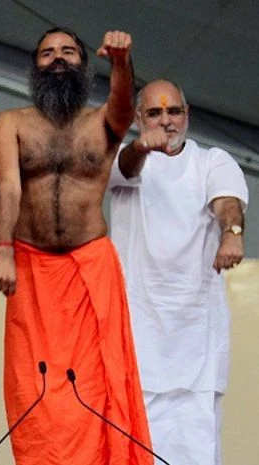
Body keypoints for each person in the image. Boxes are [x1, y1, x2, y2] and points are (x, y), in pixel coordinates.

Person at [0, 27, 152, 464]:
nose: (57, 58)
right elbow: (8, 188)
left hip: (91, 268)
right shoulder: (11, 123)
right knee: (34, 389)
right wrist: (3, 249)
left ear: (84, 64)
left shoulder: (103, 122)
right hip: (31, 269)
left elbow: (124, 105)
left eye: (67, 52)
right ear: (35, 66)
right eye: (47, 53)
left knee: (101, 384)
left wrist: (121, 61)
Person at [109, 79, 248, 465]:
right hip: (138, 337)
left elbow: (228, 202)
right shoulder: (123, 159)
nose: (166, 121)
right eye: (154, 113)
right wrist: (141, 146)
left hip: (197, 339)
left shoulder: (213, 161)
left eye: (174, 111)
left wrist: (232, 234)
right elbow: (124, 167)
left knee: (198, 448)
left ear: (187, 115)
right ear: (138, 119)